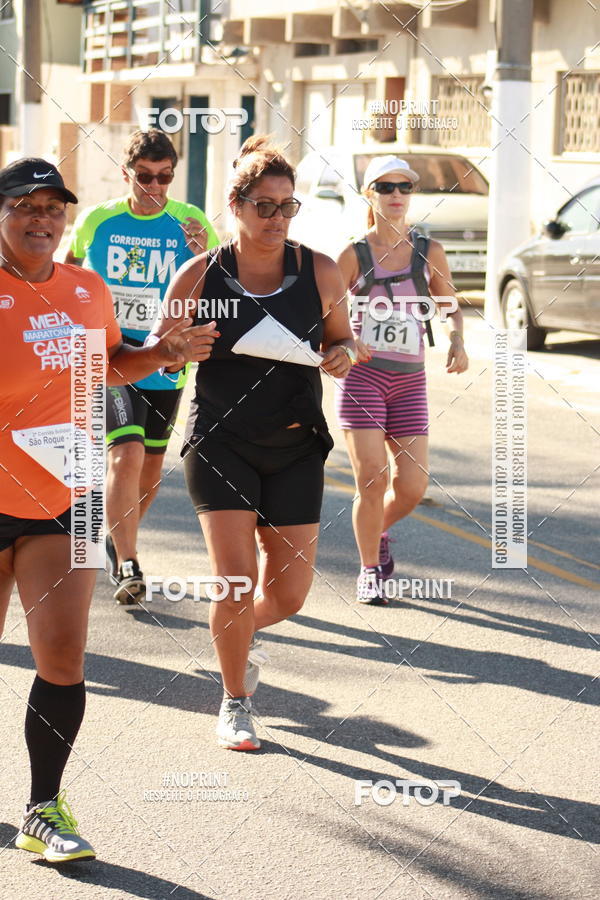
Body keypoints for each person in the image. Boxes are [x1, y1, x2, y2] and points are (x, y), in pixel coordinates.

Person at [0, 157, 217, 862]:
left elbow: (109, 363)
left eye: (52, 207)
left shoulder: (85, 289)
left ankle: (42, 810)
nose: (41, 219)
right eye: (25, 206)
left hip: (65, 496)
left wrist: (162, 352)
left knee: (63, 656)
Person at [150, 135, 356, 751]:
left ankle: (232, 637)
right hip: (221, 445)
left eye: (287, 206)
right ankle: (235, 700)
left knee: (288, 596)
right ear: (236, 205)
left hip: (295, 445)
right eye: (264, 206)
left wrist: (343, 355)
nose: (277, 218)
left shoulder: (318, 269)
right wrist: (179, 349)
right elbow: (159, 353)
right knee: (235, 583)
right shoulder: (200, 274)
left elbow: (345, 338)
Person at [65, 128, 219, 604]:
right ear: (126, 173)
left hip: (166, 360)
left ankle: (117, 539)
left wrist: (201, 254)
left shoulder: (191, 221)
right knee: (126, 454)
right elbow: (64, 270)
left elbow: (219, 285)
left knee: (150, 470)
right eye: (145, 176)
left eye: (164, 177)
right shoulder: (98, 219)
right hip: (109, 356)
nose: (155, 186)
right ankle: (129, 563)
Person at [335, 155, 469, 604]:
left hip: (409, 382)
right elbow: (325, 311)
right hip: (363, 380)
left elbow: (449, 306)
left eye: (404, 187)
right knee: (372, 480)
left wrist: (456, 340)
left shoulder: (429, 251)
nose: (396, 195)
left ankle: (377, 530)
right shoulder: (353, 254)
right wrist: (347, 340)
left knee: (412, 487)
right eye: (385, 187)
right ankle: (369, 570)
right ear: (369, 194)